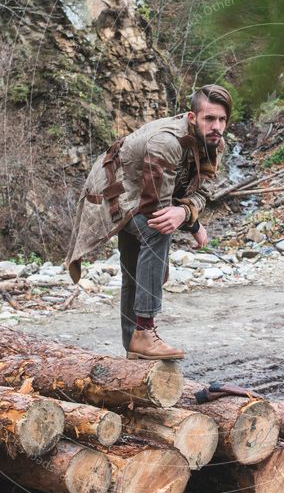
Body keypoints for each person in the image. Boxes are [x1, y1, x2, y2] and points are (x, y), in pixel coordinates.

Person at [65, 84, 231, 359]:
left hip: (142, 195)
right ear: (193, 118)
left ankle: (133, 347)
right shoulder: (166, 142)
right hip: (114, 191)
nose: (217, 126)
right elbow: (156, 208)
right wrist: (189, 221)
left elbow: (204, 190)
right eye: (209, 118)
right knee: (158, 231)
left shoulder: (215, 143)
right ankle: (144, 331)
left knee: (137, 269)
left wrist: (188, 215)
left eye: (222, 119)